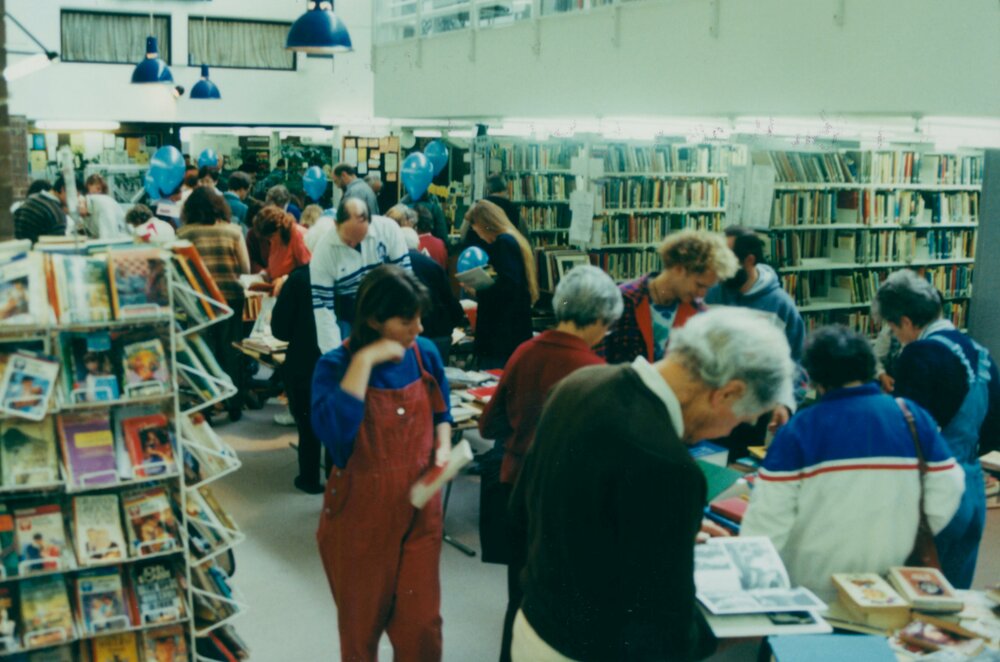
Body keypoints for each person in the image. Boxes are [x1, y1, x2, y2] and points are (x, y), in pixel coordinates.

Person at [509, 307, 795, 661]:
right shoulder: (669, 466)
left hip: (535, 624)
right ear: (726, 393)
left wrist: (659, 529)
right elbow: (663, 633)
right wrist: (742, 631)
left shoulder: (579, 384)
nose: (727, 433)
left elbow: (528, 510)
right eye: (739, 422)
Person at [740, 325, 965, 602]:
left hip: (812, 587)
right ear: (870, 366)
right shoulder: (911, 417)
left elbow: (767, 523)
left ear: (814, 378)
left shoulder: (799, 431)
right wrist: (906, 527)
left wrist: (752, 589)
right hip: (887, 582)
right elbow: (951, 485)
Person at [479, 265, 623, 662]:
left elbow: (489, 425)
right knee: (552, 605)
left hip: (513, 488)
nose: (605, 335)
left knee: (517, 598)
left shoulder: (526, 350)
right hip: (560, 501)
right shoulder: (597, 374)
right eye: (607, 326)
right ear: (596, 317)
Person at [312, 265, 452, 662]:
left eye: (420, 318)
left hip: (421, 509)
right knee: (361, 629)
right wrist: (365, 360)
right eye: (407, 321)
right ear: (374, 319)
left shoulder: (424, 354)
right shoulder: (335, 366)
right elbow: (338, 441)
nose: (419, 329)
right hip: (360, 515)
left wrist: (443, 447)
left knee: (422, 626)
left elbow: (443, 413)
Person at [875, 269, 999, 588]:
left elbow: (905, 433)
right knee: (953, 598)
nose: (896, 336)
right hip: (972, 489)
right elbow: (993, 430)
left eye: (892, 327)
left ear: (904, 320)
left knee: (917, 596)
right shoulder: (979, 351)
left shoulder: (919, 353)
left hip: (936, 494)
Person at [705, 226, 805, 454]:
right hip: (711, 408)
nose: (718, 268)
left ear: (748, 260)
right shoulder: (711, 293)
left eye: (726, 260)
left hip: (754, 416)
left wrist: (785, 403)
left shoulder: (781, 306)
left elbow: (797, 364)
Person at [601, 230, 738, 365]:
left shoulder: (698, 314)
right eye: (699, 285)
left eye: (707, 288)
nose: (702, 294)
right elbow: (599, 359)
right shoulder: (622, 300)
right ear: (679, 269)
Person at [177, 187, 250, 421]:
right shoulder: (234, 231)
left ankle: (206, 405)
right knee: (231, 351)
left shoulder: (184, 234)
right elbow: (245, 269)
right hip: (231, 298)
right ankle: (235, 404)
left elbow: (179, 270)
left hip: (198, 301)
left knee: (203, 352)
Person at [310, 198, 411, 353]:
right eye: (348, 240)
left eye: (359, 239)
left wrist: (405, 332)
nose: (354, 244)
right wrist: (332, 357)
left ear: (370, 223)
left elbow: (406, 285)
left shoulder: (388, 229)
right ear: (336, 224)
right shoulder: (322, 253)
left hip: (387, 310)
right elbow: (324, 312)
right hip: (349, 317)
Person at [463, 199, 539, 369]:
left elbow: (507, 287)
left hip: (501, 334)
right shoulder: (514, 239)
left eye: (474, 226)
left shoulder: (503, 243)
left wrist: (477, 290)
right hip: (512, 330)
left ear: (484, 223)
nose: (475, 232)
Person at [272, 264, 326, 494]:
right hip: (345, 359)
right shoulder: (353, 272)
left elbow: (280, 329)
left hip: (304, 360)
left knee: (307, 423)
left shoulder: (299, 278)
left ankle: (309, 478)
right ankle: (340, 482)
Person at [399, 227, 466, 361]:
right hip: (438, 333)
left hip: (407, 335)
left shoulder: (393, 266)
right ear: (417, 243)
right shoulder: (432, 265)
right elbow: (448, 298)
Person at [253, 206, 311, 281]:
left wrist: (284, 279)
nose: (270, 240)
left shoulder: (297, 235)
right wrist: (264, 273)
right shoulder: (276, 239)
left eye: (271, 236)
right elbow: (275, 266)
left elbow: (306, 271)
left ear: (279, 228)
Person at [14, 178, 67, 243]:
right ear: (63, 189)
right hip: (38, 250)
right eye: (76, 195)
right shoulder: (56, 212)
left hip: (18, 249)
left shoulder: (29, 201)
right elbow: (58, 245)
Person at [78, 174, 128, 239]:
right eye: (98, 188)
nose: (99, 192)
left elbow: (108, 237)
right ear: (89, 186)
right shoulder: (85, 204)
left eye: (101, 190)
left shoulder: (104, 205)